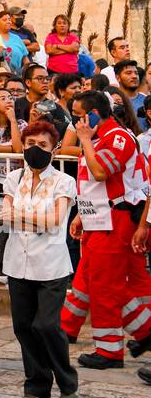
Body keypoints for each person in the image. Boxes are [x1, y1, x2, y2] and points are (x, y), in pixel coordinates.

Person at [61, 90, 151, 366]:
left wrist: (85, 140)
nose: (75, 123)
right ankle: (68, 328)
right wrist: (80, 216)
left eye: (78, 116)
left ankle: (112, 350)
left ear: (94, 115)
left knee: (105, 285)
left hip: (116, 221)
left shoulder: (118, 138)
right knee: (90, 278)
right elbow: (92, 185)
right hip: (98, 219)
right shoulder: (101, 138)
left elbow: (101, 172)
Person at [0, 121, 80, 398]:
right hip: (16, 263)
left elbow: (55, 221)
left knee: (46, 325)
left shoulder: (64, 182)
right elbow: (2, 214)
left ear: (54, 148)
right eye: (30, 144)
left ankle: (67, 383)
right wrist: (28, 218)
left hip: (51, 265)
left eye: (43, 145)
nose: (36, 150)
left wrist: (17, 216)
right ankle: (37, 386)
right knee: (23, 326)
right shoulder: (13, 178)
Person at [114, 60, 148, 131]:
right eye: (128, 73)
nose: (134, 76)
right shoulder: (112, 102)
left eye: (136, 73)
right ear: (118, 78)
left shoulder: (147, 100)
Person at [0, 9, 29, 75]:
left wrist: (27, 72)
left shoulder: (17, 38)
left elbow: (25, 58)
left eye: (9, 19)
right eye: (4, 20)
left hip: (17, 75)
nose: (8, 21)